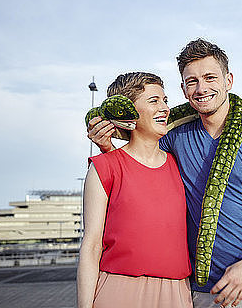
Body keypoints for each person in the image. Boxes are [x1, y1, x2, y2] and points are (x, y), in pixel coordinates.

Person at [89, 39, 242, 308]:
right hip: (199, 293)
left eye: (210, 77)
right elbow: (138, 163)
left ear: (229, 80)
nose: (201, 88)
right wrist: (107, 144)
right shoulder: (175, 138)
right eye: (192, 81)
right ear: (183, 88)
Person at [78, 72, 193, 308]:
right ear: (127, 112)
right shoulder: (104, 167)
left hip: (176, 293)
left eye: (165, 100)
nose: (165, 108)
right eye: (154, 101)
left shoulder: (181, 165)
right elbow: (91, 247)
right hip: (119, 292)